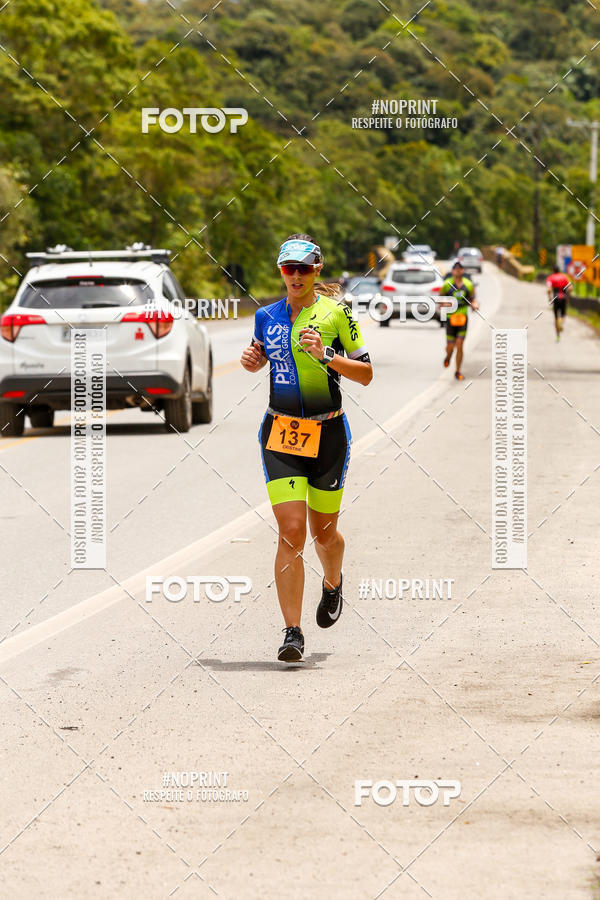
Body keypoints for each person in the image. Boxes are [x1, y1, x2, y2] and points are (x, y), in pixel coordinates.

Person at [240, 234, 373, 662]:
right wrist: (253, 360)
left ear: (317, 271)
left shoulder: (338, 313)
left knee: (324, 534)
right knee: (292, 531)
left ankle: (333, 580)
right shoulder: (265, 316)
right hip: (280, 433)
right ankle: (292, 632)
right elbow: (264, 356)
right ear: (281, 271)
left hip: (328, 432)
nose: (295, 276)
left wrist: (329, 355)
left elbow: (367, 374)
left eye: (303, 268)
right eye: (288, 268)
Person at [440, 259, 479, 381]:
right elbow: (440, 300)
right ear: (452, 271)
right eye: (455, 269)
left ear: (463, 270)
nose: (458, 271)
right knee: (450, 347)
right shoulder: (447, 284)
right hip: (450, 318)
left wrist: (474, 305)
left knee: (460, 345)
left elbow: (473, 299)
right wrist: (444, 304)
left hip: (462, 318)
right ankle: (448, 356)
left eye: (460, 268)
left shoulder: (468, 284)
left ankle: (457, 371)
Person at [546, 266, 572, 341]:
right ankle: (561, 321)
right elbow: (570, 288)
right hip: (563, 297)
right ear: (559, 270)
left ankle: (557, 335)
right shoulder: (564, 277)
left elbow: (549, 290)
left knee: (556, 317)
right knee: (563, 314)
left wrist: (549, 298)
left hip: (555, 298)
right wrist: (568, 296)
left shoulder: (550, 278)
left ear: (553, 270)